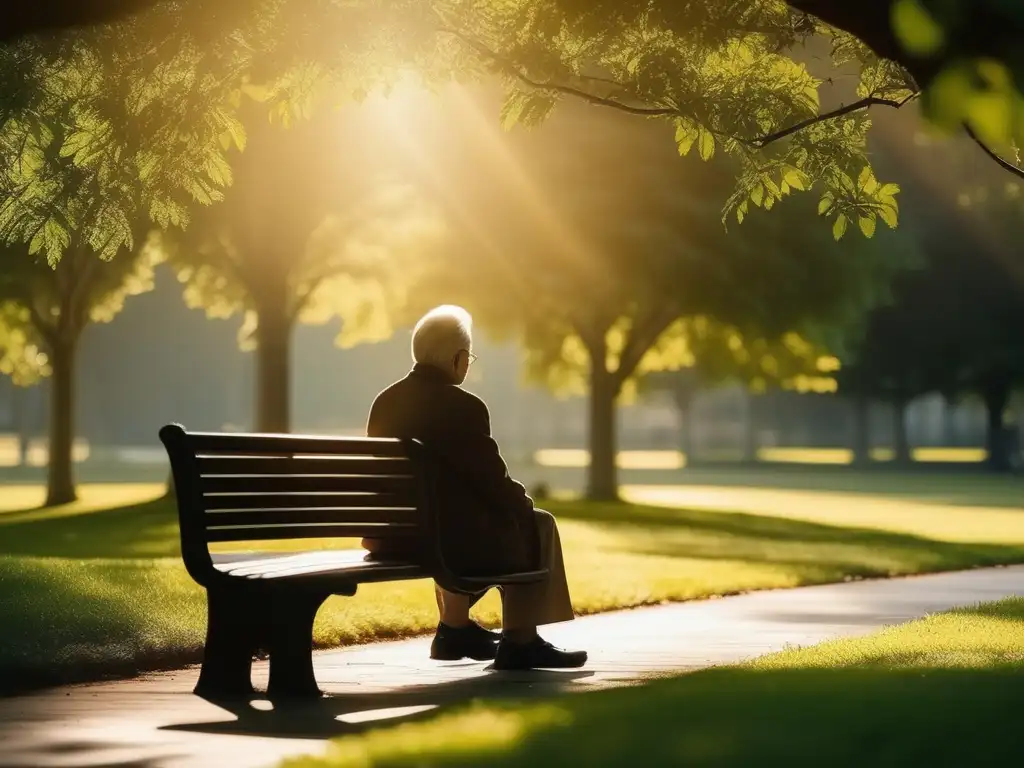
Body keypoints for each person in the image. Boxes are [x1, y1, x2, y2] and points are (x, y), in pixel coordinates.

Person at [363, 305, 587, 670]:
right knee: (534, 522)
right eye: (469, 358)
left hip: (393, 537)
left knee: (450, 519)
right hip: (444, 539)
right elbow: (490, 480)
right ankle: (521, 640)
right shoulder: (464, 407)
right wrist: (522, 502)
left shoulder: (385, 402)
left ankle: (455, 629)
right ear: (458, 358)